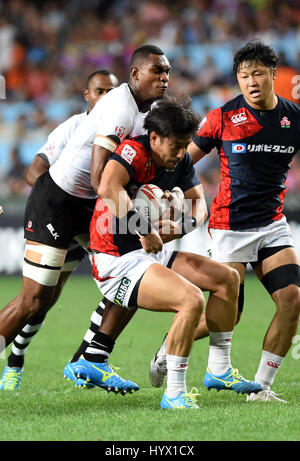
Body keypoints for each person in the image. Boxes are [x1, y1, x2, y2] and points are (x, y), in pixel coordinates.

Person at [0, 45, 171, 394]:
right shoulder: (120, 109)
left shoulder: (150, 110)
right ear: (135, 74)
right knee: (34, 300)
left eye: (167, 71)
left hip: (93, 206)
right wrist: (142, 224)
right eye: (157, 71)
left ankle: (91, 360)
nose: (165, 78)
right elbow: (98, 180)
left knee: (133, 272)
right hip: (59, 202)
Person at [72, 99, 263, 410]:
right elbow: (107, 186)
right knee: (191, 300)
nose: (180, 153)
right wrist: (144, 229)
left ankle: (219, 369)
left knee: (228, 279)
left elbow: (199, 207)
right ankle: (174, 392)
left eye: (185, 145)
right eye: (175, 145)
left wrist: (171, 228)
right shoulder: (133, 152)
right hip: (116, 260)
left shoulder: (178, 160)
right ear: (155, 138)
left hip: (149, 254)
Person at [150, 40, 300, 403]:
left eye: (258, 74)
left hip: (272, 225)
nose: (251, 81)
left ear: (273, 76)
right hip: (229, 226)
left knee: (293, 299)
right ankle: (167, 349)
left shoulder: (293, 117)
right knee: (228, 315)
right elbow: (183, 161)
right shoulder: (222, 117)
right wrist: (164, 194)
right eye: (244, 75)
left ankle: (261, 388)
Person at [0, 69, 119, 390]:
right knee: (40, 300)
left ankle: (85, 359)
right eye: (99, 91)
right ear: (87, 95)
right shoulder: (75, 126)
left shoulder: (124, 129)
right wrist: (50, 207)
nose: (106, 97)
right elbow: (34, 171)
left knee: (126, 279)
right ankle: (14, 360)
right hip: (57, 214)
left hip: (92, 219)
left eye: (112, 91)